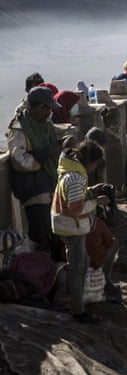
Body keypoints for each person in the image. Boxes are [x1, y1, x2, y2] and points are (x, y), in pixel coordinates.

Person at [51, 140, 111, 324]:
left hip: (70, 224)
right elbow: (76, 209)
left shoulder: (73, 172)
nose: (94, 168)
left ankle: (79, 300)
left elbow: (76, 196)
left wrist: (92, 191)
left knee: (82, 262)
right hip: (71, 226)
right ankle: (78, 311)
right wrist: (97, 202)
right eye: (95, 164)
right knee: (77, 267)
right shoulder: (75, 177)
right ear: (89, 161)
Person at [7, 86, 63, 254]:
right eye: (46, 108)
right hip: (33, 189)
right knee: (40, 233)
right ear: (37, 108)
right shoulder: (19, 128)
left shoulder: (45, 125)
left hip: (48, 185)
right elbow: (19, 160)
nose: (49, 112)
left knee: (52, 230)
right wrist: (47, 155)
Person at [86, 203, 121, 303]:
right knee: (114, 243)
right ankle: (107, 278)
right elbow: (110, 242)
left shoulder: (71, 223)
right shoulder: (98, 223)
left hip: (76, 261)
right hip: (94, 262)